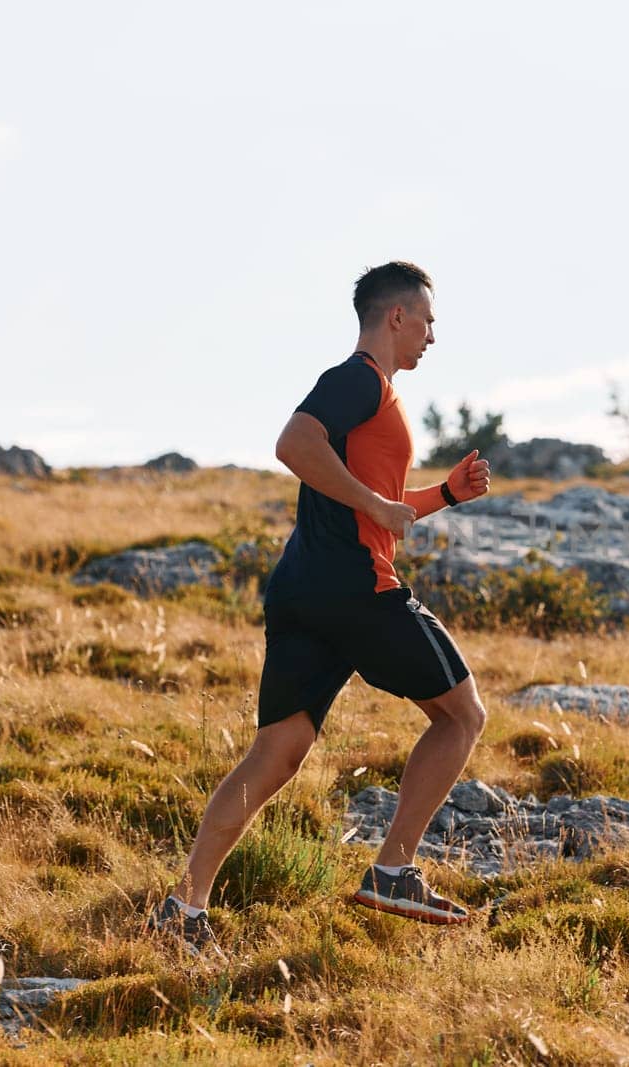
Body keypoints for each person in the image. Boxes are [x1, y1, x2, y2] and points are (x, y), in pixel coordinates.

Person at [147, 261, 492, 952]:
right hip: (355, 588)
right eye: (426, 321)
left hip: (304, 590)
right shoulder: (359, 378)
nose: (431, 335)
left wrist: (444, 495)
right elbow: (294, 444)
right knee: (462, 714)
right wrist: (374, 503)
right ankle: (393, 869)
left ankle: (182, 909)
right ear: (395, 317)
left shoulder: (378, 397)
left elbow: (381, 506)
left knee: (278, 750)